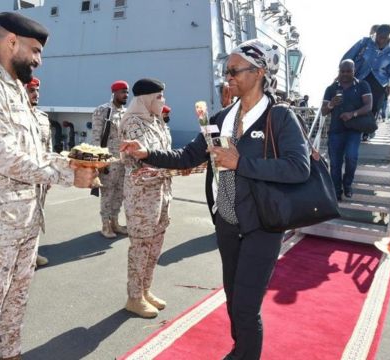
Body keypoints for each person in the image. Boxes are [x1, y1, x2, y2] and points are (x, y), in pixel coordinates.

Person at [121, 39, 310, 359]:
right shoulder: (220, 118)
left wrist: (241, 163)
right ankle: (240, 349)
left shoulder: (280, 118)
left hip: (262, 225)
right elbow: (187, 156)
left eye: (235, 70)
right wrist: (147, 153)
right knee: (235, 299)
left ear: (260, 72)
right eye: (227, 70)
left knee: (247, 308)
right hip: (227, 222)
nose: (228, 76)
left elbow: (299, 168)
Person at [0, 12, 96, 360]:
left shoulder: (15, 88)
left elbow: (35, 152)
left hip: (25, 218)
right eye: (34, 50)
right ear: (10, 41)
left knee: (16, 299)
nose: (38, 60)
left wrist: (75, 164)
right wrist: (67, 176)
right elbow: (5, 157)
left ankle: (11, 354)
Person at [117, 78, 171, 319]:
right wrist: (179, 167)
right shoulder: (133, 123)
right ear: (146, 98)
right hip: (142, 196)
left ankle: (145, 290)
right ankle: (134, 297)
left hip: (161, 192)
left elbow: (167, 155)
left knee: (155, 245)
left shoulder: (157, 123)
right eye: (159, 97)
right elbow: (148, 159)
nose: (163, 101)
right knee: (141, 246)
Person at [321, 59, 373, 201]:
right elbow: (324, 111)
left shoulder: (362, 85)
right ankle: (336, 191)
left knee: (351, 158)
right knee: (335, 163)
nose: (345, 74)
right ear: (339, 70)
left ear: (354, 70)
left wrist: (353, 114)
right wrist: (331, 104)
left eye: (348, 71)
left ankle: (347, 184)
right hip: (335, 131)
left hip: (353, 130)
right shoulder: (331, 89)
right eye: (342, 71)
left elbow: (369, 106)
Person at [342, 24, 390, 140]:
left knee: (375, 106)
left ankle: (366, 131)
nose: (379, 40)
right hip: (361, 76)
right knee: (357, 102)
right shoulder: (365, 42)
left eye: (383, 38)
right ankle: (352, 129)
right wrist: (344, 72)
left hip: (379, 81)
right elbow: (348, 56)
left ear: (387, 37)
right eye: (378, 36)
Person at [91, 80, 129, 238]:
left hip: (124, 160)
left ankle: (115, 222)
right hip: (108, 160)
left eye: (127, 92)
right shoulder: (103, 111)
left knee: (120, 193)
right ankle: (105, 225)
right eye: (122, 92)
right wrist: (97, 161)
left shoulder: (127, 113)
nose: (125, 95)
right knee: (107, 193)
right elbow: (96, 137)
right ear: (114, 93)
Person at [25, 77, 50, 267]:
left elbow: (47, 147)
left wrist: (49, 172)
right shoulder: (15, 116)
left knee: (37, 215)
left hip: (41, 177)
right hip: (22, 177)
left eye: (37, 90)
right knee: (22, 218)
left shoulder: (42, 117)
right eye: (32, 90)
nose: (36, 94)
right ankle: (21, 257)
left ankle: (32, 253)